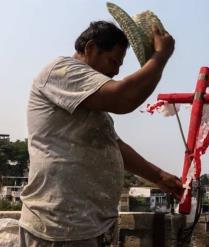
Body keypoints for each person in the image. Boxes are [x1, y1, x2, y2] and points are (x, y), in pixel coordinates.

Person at [19, 21, 183, 246]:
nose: (116, 71)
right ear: (90, 49)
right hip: (60, 228)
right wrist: (161, 56)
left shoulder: (89, 101)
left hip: (87, 227)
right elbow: (124, 97)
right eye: (113, 61)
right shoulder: (62, 70)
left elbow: (113, 146)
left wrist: (158, 176)